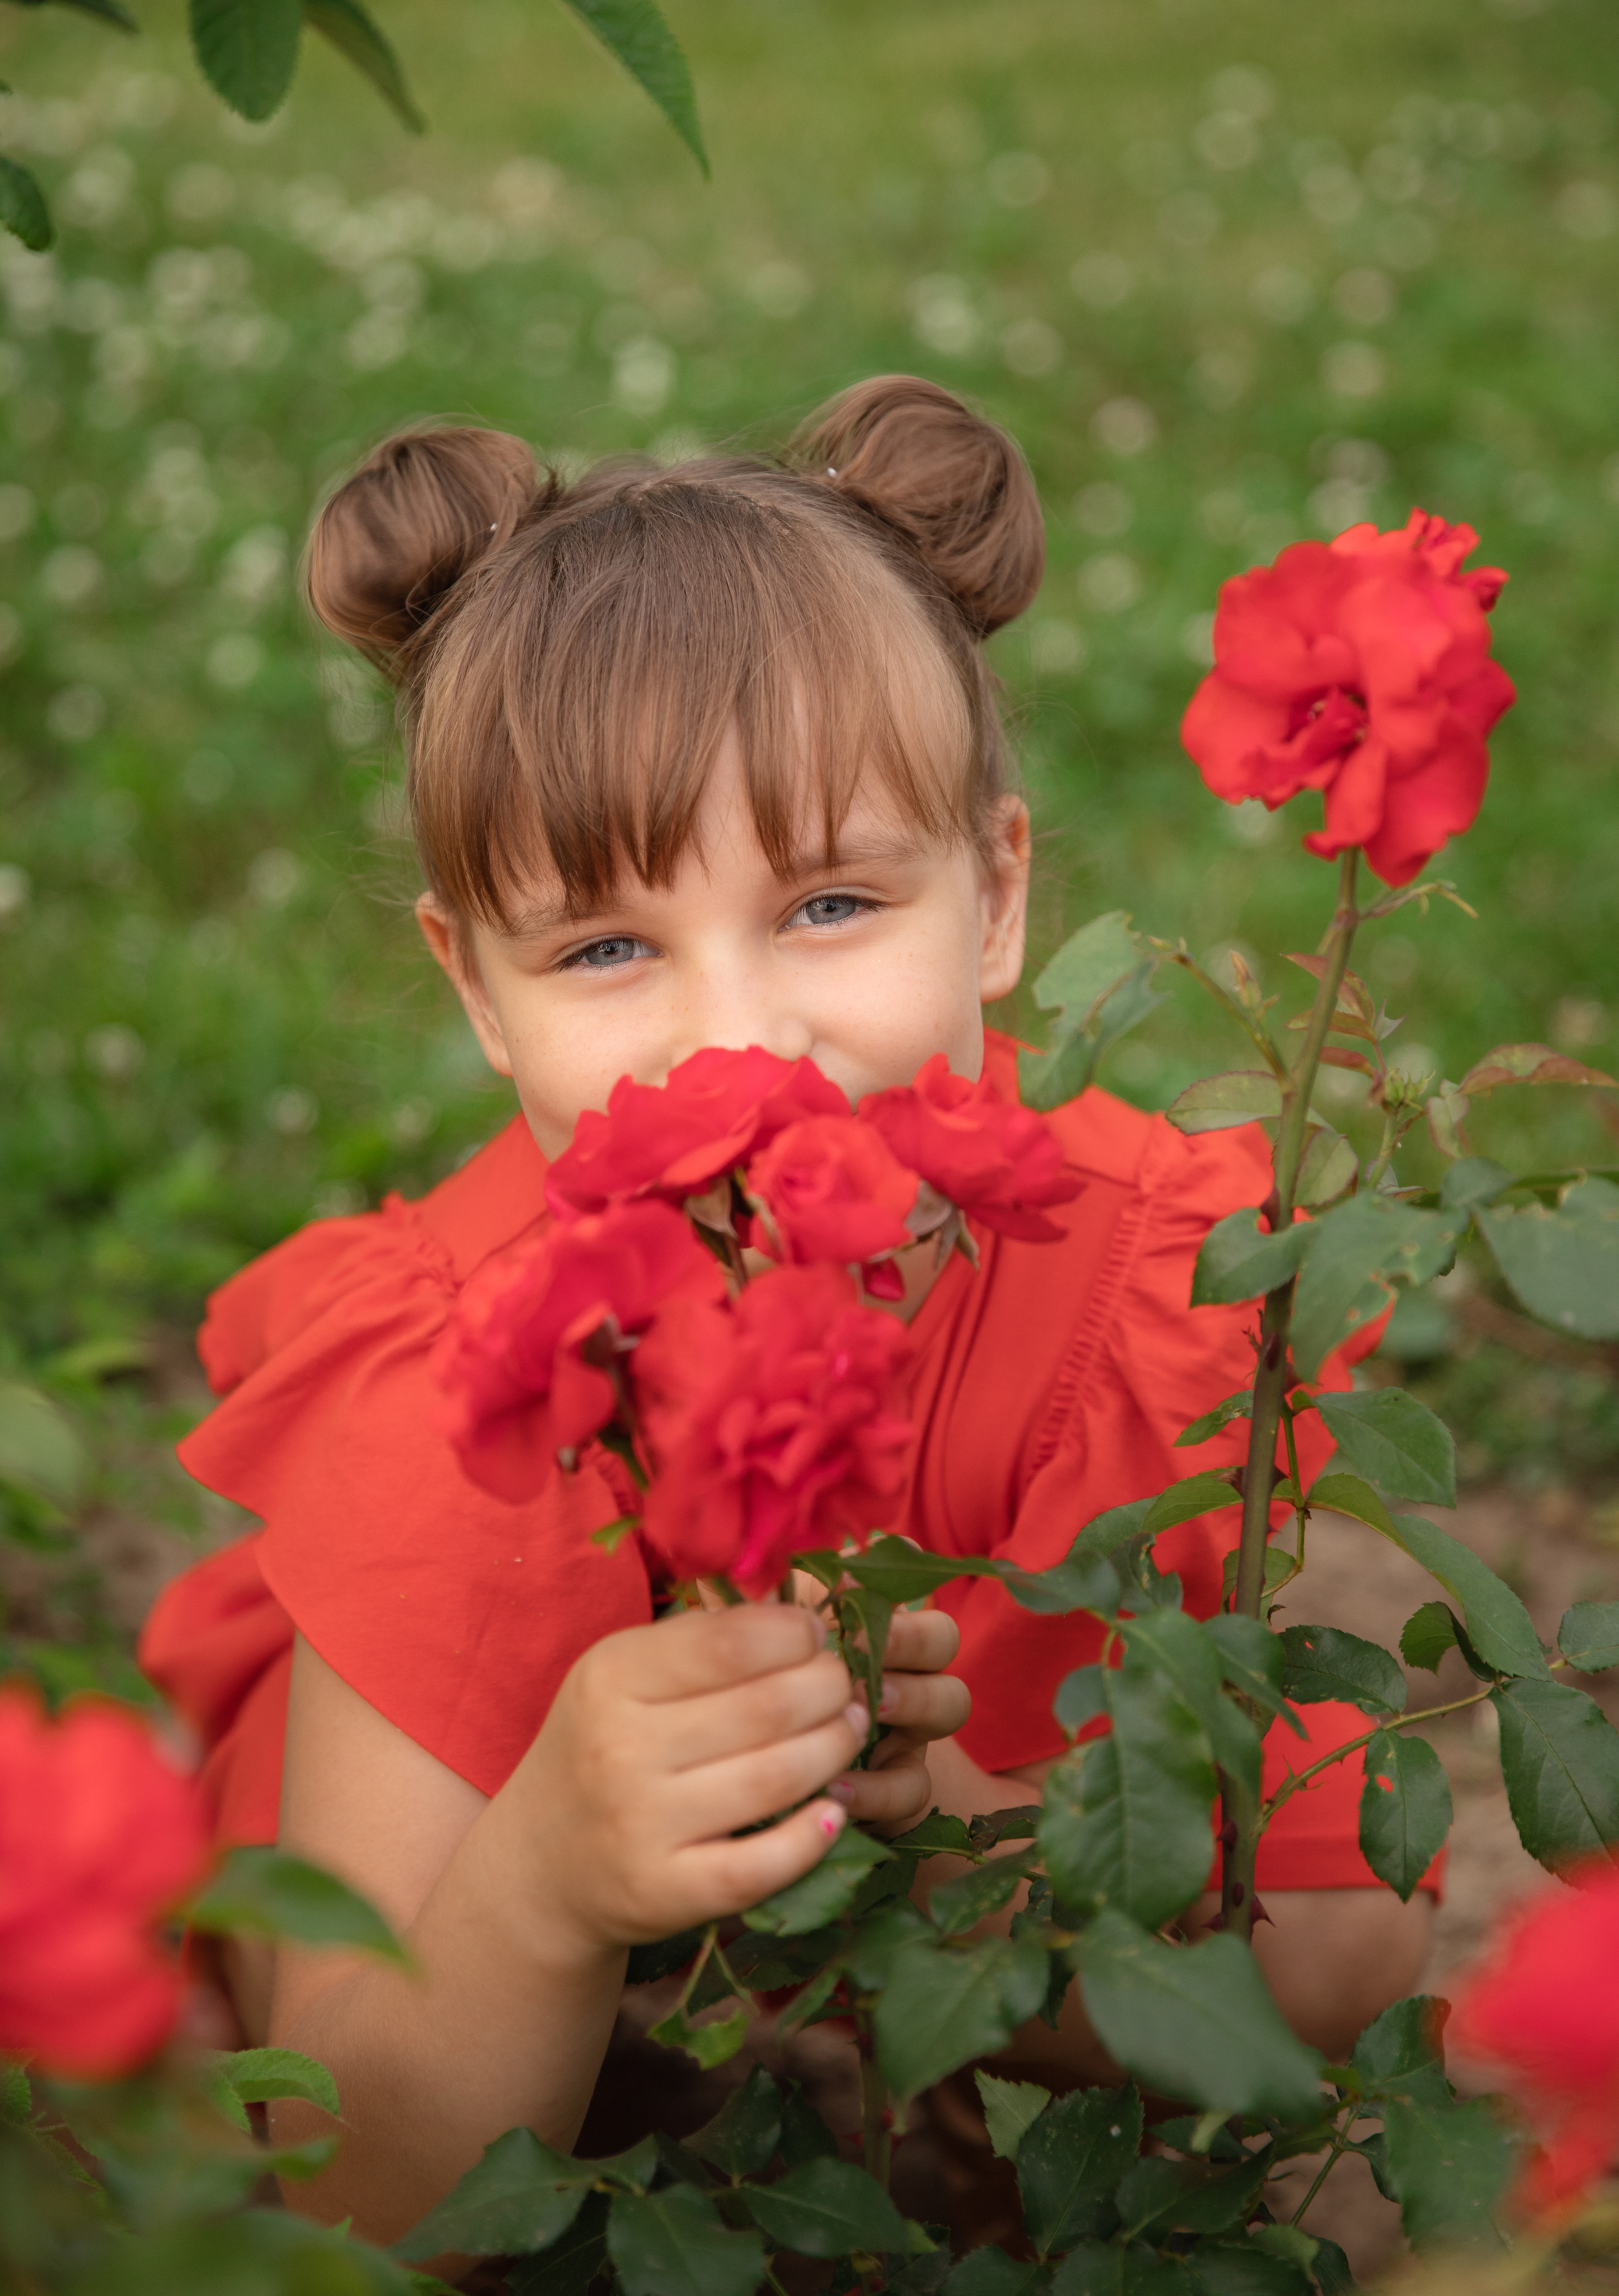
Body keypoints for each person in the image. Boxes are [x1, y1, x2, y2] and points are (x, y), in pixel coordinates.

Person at [140, 376, 1432, 2266]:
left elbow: (1335, 1961)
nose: (733, 1039)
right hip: (490, 1874)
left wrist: (969, 1842)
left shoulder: (1164, 1273)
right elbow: (361, 2179)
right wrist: (554, 1890)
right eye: (602, 949)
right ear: (475, 992)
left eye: (830, 901)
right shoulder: (475, 1374)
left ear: (994, 896)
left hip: (985, 1858)